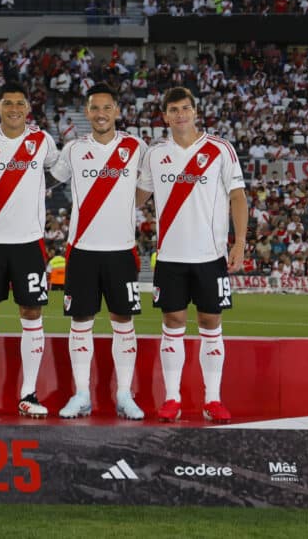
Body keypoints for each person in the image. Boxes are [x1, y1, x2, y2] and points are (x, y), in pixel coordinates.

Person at [136, 86, 247, 423]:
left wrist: (239, 242)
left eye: (186, 108)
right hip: (170, 257)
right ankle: (172, 399)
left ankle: (212, 399)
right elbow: (137, 199)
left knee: (211, 323)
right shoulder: (154, 154)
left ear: (196, 112)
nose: (180, 114)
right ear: (165, 116)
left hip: (210, 256)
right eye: (174, 109)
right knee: (173, 323)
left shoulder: (220, 150)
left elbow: (238, 197)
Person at [49, 84, 148, 420]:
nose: (101, 113)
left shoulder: (136, 147)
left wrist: (124, 209)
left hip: (121, 251)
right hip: (82, 251)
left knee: (124, 321)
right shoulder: (73, 149)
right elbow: (50, 180)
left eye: (107, 107)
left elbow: (147, 186)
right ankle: (80, 394)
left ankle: (123, 394)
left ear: (117, 110)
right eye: (95, 108)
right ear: (87, 112)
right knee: (80, 322)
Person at [0, 82, 60, 418]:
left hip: (29, 244)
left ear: (28, 108)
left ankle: (29, 393)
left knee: (32, 316)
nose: (14, 108)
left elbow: (59, 170)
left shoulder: (43, 142)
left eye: (20, 103)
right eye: (8, 103)